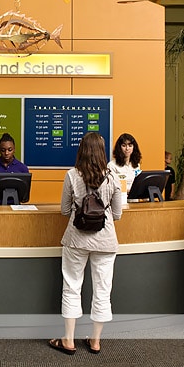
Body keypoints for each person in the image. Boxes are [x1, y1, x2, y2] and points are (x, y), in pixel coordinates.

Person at [49, 132, 123, 355]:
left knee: (71, 287)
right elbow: (117, 214)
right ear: (102, 152)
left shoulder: (72, 175)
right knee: (102, 290)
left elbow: (64, 210)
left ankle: (68, 340)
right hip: (106, 240)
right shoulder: (113, 177)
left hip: (76, 238)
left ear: (81, 150)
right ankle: (95, 341)